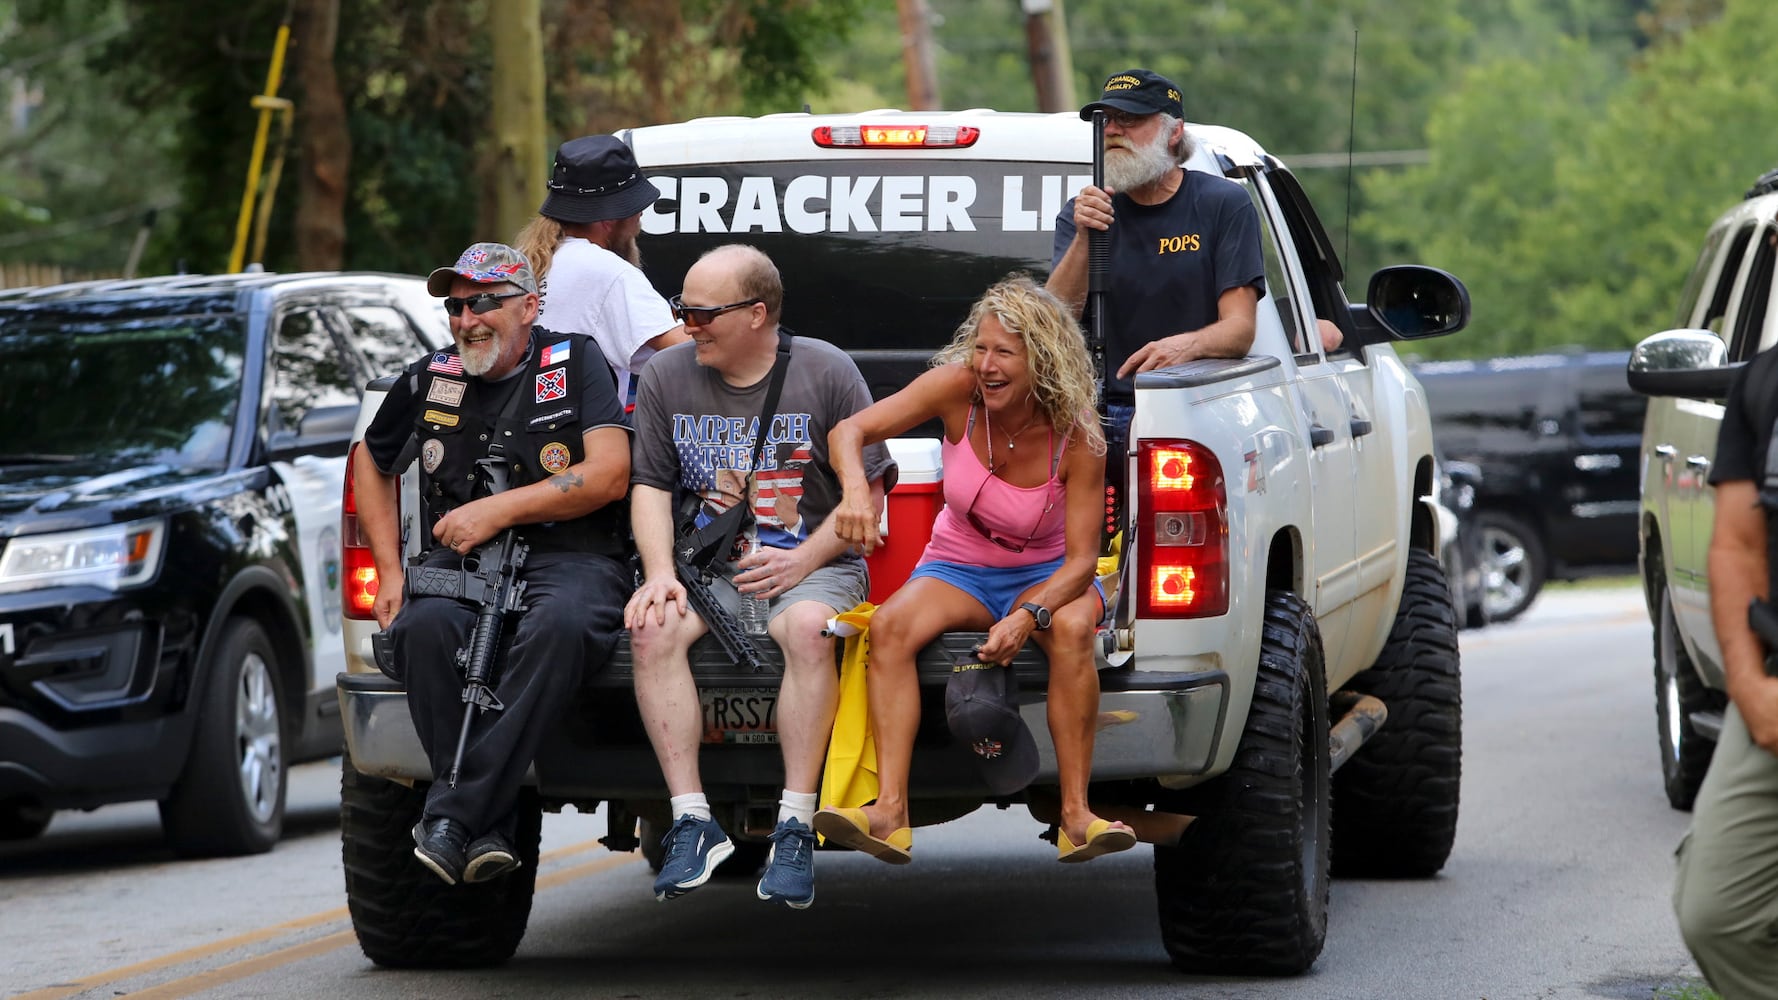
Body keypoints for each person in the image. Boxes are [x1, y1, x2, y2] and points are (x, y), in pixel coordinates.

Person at [818, 274, 1138, 865]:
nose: (986, 365)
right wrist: (856, 493)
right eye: (981, 348)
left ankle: (1075, 815)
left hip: (1047, 574)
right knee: (887, 628)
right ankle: (889, 811)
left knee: (1068, 631)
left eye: (1004, 353)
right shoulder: (956, 391)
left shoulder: (1080, 437)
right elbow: (849, 430)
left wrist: (1028, 615)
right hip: (960, 563)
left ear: (1041, 360)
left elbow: (1081, 562)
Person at [624, 244, 895, 908]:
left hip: (814, 562)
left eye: (701, 313)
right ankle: (692, 820)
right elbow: (650, 486)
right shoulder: (665, 375)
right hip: (707, 568)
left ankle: (795, 826)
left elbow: (871, 497)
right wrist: (659, 572)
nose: (687, 324)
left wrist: (803, 559)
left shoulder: (828, 371)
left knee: (807, 630)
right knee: (650, 627)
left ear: (757, 313)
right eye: (681, 308)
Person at [354, 242, 633, 886]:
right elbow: (370, 461)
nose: (467, 319)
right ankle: (488, 822)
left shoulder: (574, 359)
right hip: (461, 563)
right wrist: (390, 570)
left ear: (530, 307)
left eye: (485, 302)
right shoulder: (432, 377)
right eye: (456, 306)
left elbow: (610, 473)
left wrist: (500, 509)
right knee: (422, 632)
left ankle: (455, 814)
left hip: (572, 557)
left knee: (561, 628)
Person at [1045, 68, 1265, 464]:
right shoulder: (1083, 215)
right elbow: (1053, 323)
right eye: (1105, 120)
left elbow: (1240, 328)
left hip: (1192, 406)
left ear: (1174, 131)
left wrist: (1185, 346)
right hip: (1095, 416)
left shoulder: (1222, 204)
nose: (1113, 130)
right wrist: (1083, 237)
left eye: (1129, 119)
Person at [1672, 346, 1778, 1000]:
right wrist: (1747, 684)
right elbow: (1736, 546)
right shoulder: (1765, 382)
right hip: (1772, 688)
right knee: (1716, 914)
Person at [514, 134, 688, 405]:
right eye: (635, 205)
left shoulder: (527, 262)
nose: (641, 214)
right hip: (582, 440)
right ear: (609, 217)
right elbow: (688, 351)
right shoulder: (609, 273)